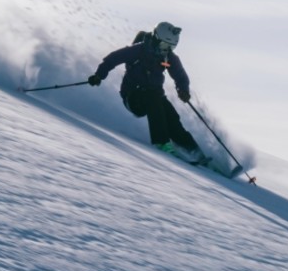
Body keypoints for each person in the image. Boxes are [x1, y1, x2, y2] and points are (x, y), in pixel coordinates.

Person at [88, 22, 209, 165]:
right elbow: (113, 58)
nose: (167, 50)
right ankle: (161, 142)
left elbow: (180, 75)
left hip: (155, 97)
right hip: (133, 97)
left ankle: (194, 152)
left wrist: (183, 90)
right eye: (165, 46)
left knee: (171, 116)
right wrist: (99, 75)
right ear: (156, 39)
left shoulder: (168, 57)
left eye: (171, 47)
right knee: (154, 100)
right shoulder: (138, 50)